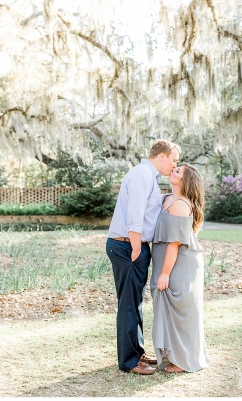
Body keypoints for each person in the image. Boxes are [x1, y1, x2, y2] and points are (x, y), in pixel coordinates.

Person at [106, 139, 181, 375]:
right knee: (129, 304)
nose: (174, 165)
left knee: (135, 302)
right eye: (174, 160)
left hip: (133, 246)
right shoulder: (141, 175)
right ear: (162, 156)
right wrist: (137, 249)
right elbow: (135, 215)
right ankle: (129, 361)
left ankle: (137, 352)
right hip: (127, 246)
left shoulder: (149, 177)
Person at [150, 163, 210, 373]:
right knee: (168, 308)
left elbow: (174, 244)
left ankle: (184, 360)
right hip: (166, 261)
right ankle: (173, 355)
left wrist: (165, 273)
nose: (172, 170)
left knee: (180, 309)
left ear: (184, 181)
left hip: (181, 264)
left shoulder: (181, 205)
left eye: (177, 171)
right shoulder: (167, 199)